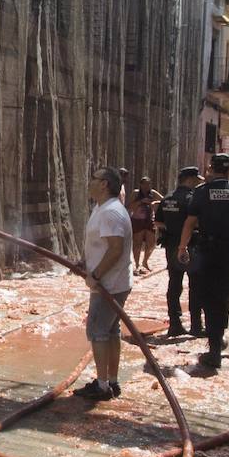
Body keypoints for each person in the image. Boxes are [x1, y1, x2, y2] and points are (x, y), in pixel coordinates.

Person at [177, 153, 229, 369]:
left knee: (208, 298)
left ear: (211, 169)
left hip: (206, 251)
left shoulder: (201, 193)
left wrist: (182, 247)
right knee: (224, 296)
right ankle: (218, 339)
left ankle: (214, 350)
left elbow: (189, 224)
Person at [71, 166, 134, 401]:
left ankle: (102, 386)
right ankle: (111, 381)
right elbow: (101, 244)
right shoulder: (102, 208)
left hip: (109, 284)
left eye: (93, 179)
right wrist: (84, 262)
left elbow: (116, 249)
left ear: (104, 184)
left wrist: (95, 275)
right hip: (110, 281)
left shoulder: (111, 212)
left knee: (97, 331)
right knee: (110, 331)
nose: (89, 182)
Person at [156, 166, 204, 337]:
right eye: (196, 180)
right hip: (189, 246)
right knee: (195, 286)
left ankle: (174, 324)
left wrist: (172, 228)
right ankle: (196, 326)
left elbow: (158, 223)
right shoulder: (192, 199)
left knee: (174, 285)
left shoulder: (167, 198)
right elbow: (195, 223)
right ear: (190, 179)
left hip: (171, 246)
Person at [127, 177, 162, 275]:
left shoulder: (153, 193)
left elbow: (164, 200)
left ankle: (145, 261)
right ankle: (137, 265)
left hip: (150, 220)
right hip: (138, 220)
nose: (147, 186)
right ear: (141, 185)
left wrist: (154, 203)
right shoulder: (136, 193)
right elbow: (129, 206)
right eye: (145, 184)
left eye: (149, 184)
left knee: (151, 243)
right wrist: (141, 202)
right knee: (137, 244)